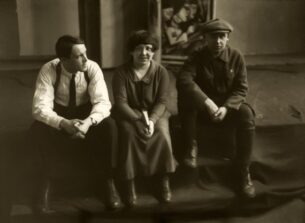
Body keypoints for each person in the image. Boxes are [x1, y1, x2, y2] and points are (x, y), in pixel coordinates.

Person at [30, 35, 121, 210]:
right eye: (79, 56)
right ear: (64, 59)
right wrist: (63, 123)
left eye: (85, 53)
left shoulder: (92, 68)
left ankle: (108, 181)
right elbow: (40, 107)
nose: (86, 59)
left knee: (110, 126)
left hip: (86, 115)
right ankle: (45, 183)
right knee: (38, 129)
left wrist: (87, 124)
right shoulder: (49, 70)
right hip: (61, 115)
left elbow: (102, 102)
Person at [177, 18, 256, 198]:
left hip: (225, 110)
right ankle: (191, 147)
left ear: (228, 38)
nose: (218, 41)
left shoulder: (236, 57)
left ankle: (243, 171)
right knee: (187, 97)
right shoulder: (196, 56)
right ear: (205, 38)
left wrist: (226, 108)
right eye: (213, 37)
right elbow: (184, 80)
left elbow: (241, 88)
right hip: (202, 109)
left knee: (246, 113)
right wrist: (208, 103)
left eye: (222, 37)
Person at [112, 30, 177, 206]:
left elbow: (162, 101)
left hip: (156, 112)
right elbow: (121, 102)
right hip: (128, 113)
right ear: (131, 52)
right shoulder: (121, 73)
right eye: (139, 48)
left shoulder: (161, 72)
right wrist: (137, 120)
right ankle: (129, 183)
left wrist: (152, 120)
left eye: (149, 49)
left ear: (154, 51)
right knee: (128, 134)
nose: (144, 53)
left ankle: (163, 180)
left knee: (162, 134)